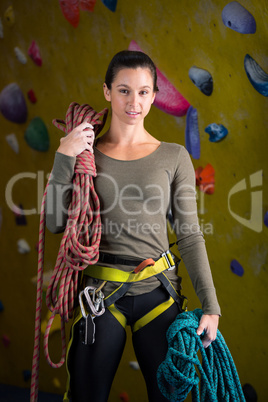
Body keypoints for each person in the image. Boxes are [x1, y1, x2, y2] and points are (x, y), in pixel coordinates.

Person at [46, 50, 221, 402]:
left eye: (143, 92)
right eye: (124, 90)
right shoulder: (84, 155)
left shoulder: (173, 156)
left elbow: (189, 235)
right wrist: (64, 156)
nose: (134, 101)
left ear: (155, 96)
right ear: (107, 91)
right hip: (100, 295)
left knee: (168, 396)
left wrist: (211, 306)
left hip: (157, 292)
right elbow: (54, 222)